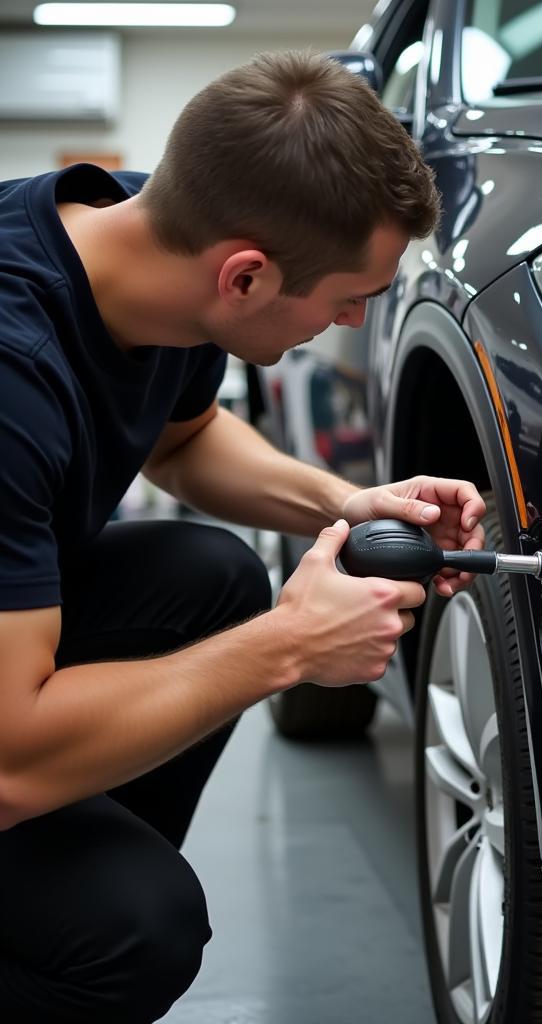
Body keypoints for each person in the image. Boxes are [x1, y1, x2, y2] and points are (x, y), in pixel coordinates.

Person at [0, 50, 486, 1023]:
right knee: (137, 925)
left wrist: (345, 504)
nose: (354, 320)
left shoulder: (148, 239)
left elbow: (184, 439)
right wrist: (290, 646)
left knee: (209, 577)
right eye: (351, 297)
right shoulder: (12, 375)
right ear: (248, 275)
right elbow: (6, 761)